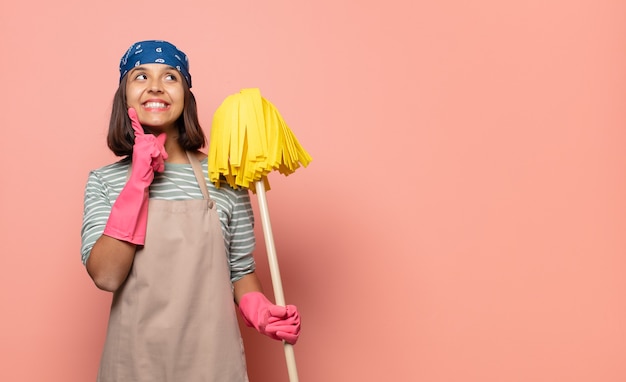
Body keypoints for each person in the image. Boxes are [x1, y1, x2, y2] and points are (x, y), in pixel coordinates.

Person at [80, 40, 301, 381]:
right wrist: (137, 182)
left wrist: (260, 310)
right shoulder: (105, 182)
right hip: (133, 366)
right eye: (140, 77)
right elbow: (106, 276)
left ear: (185, 96)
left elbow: (240, 272)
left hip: (212, 364)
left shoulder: (225, 180)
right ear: (124, 97)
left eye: (171, 77)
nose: (155, 85)